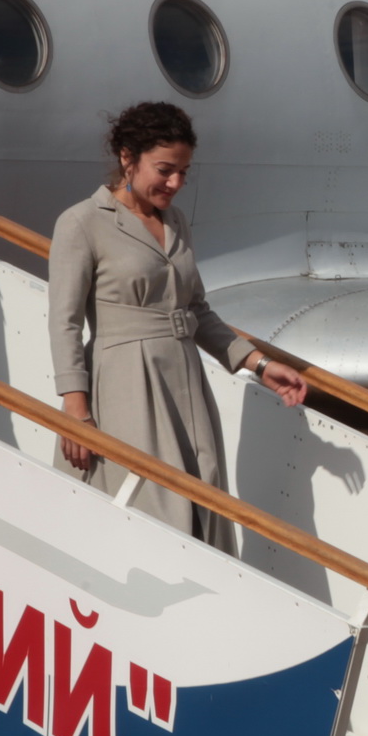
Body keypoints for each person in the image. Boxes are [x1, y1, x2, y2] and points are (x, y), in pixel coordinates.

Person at [48, 103, 307, 550]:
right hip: (126, 382)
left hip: (185, 380)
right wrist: (76, 412)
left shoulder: (176, 221)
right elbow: (64, 322)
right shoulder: (82, 222)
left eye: (183, 172)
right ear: (128, 158)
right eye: (165, 170)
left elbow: (197, 310)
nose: (176, 184)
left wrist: (260, 364)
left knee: (200, 503)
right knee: (151, 508)